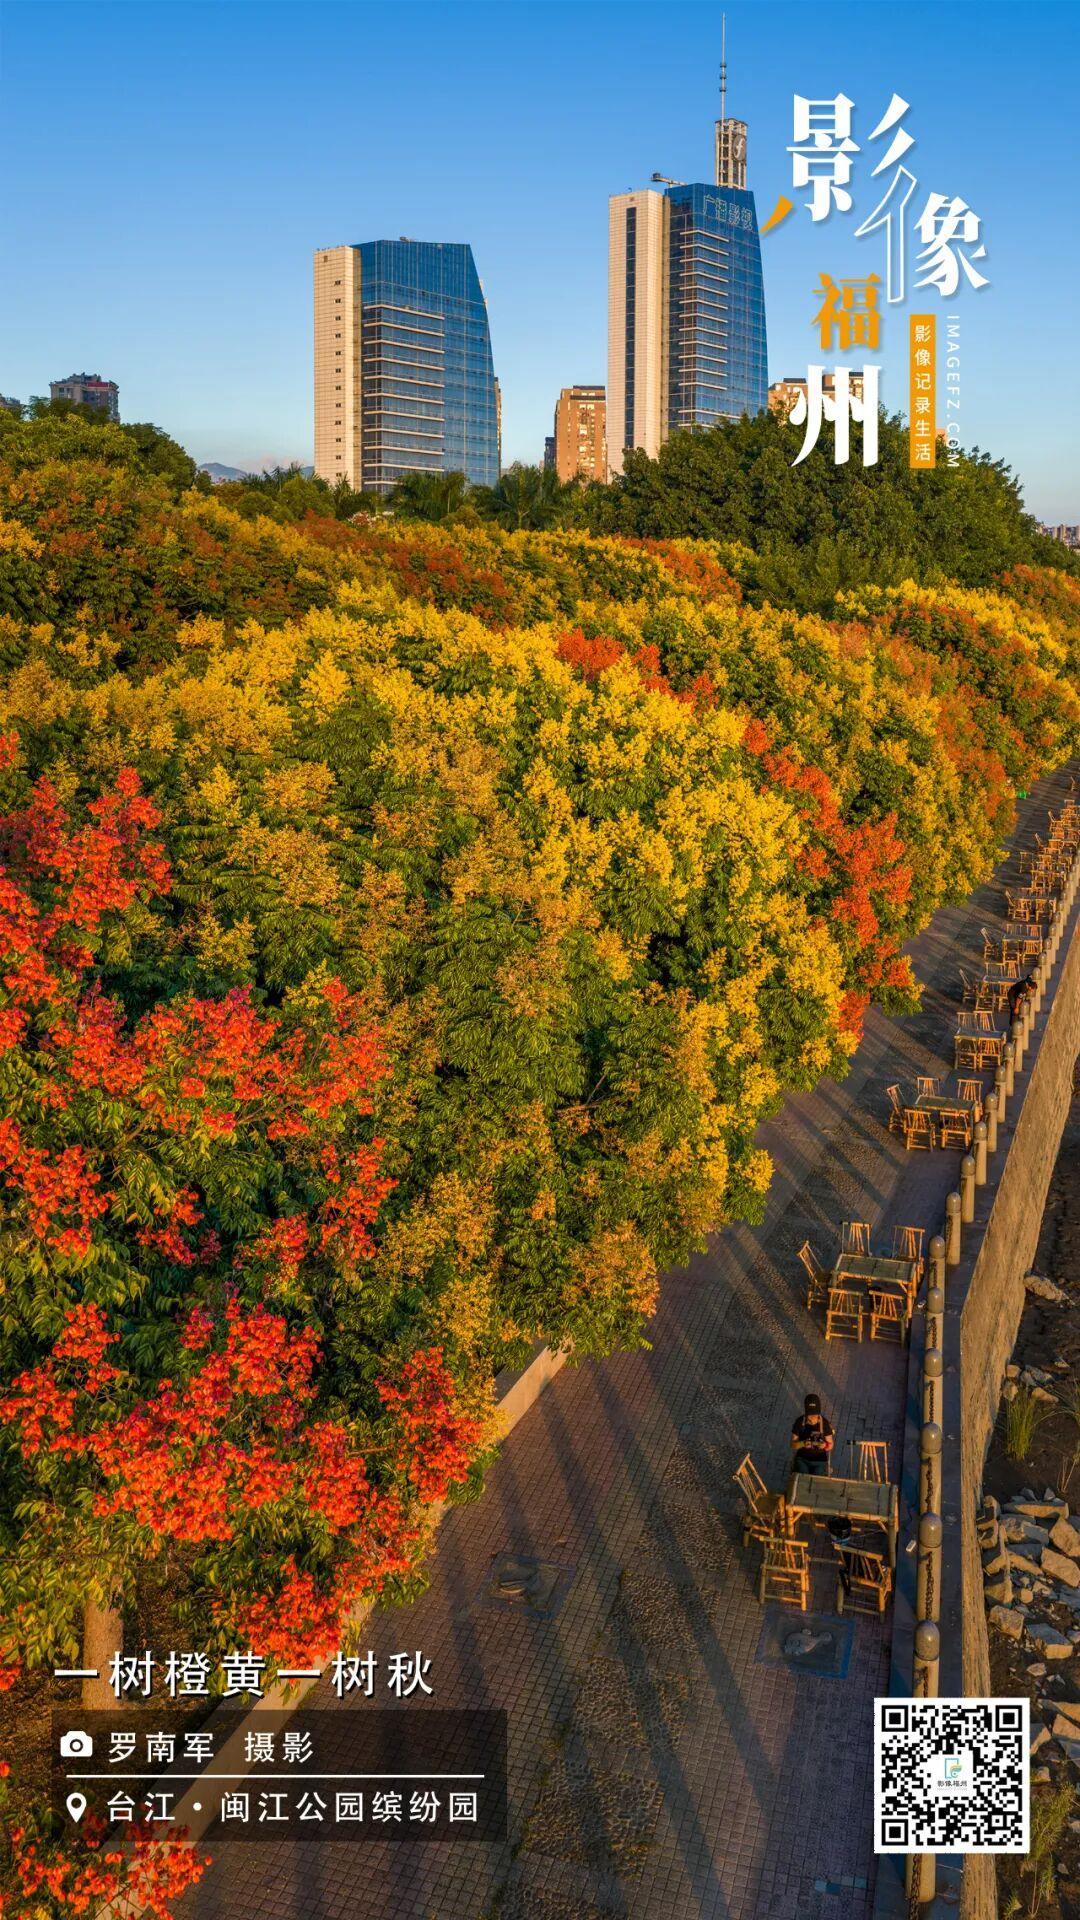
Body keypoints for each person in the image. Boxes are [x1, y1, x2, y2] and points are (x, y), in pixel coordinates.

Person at [791, 1393, 834, 1476]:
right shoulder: (800, 1422)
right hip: (802, 1459)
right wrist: (803, 1443)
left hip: (820, 1460)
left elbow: (831, 1445)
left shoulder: (824, 1423)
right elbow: (793, 1444)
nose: (812, 1418)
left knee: (816, 1479)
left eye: (815, 1415)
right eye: (810, 1415)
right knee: (803, 1478)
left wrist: (824, 1445)